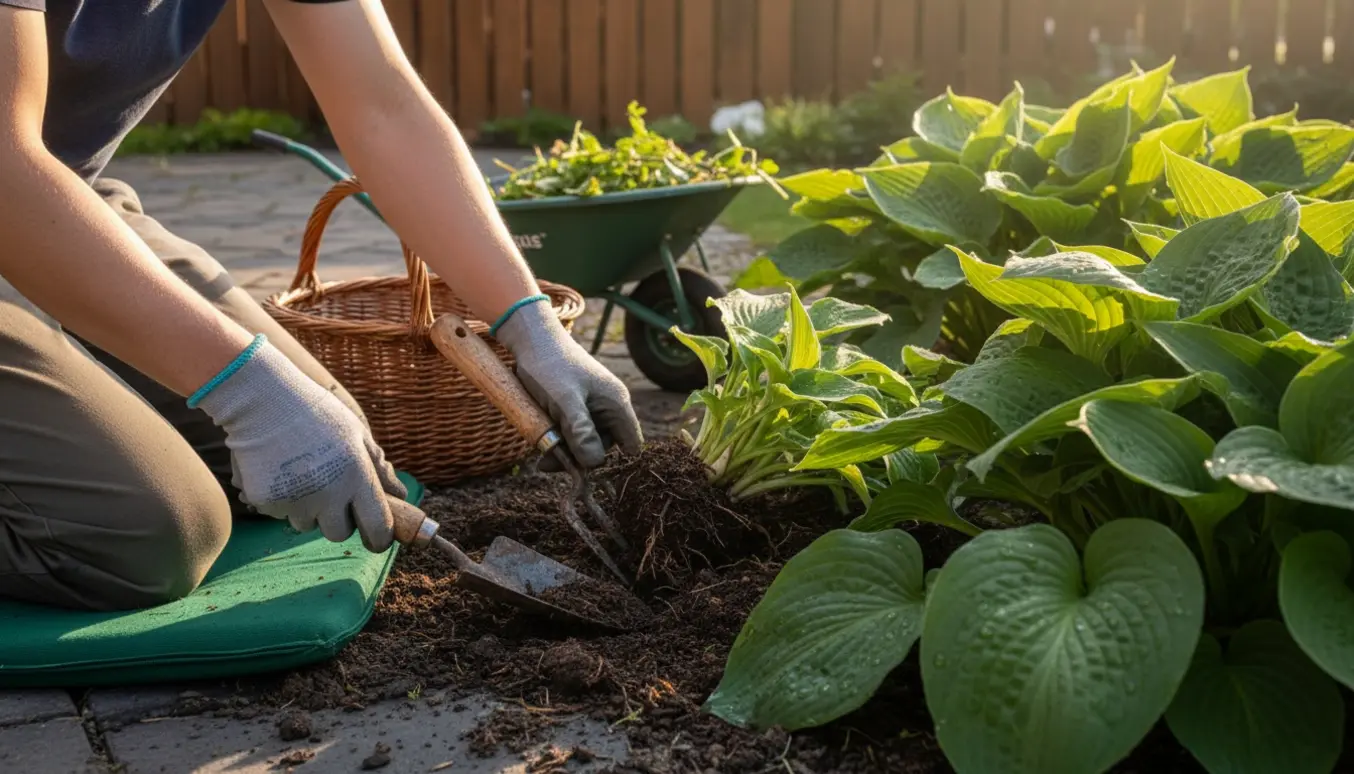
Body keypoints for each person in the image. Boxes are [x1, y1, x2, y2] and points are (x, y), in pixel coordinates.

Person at [0, 0, 644, 611]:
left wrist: (529, 324)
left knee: (327, 441)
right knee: (145, 535)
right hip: (13, 192)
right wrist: (247, 391)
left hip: (66, 205)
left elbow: (383, 104)